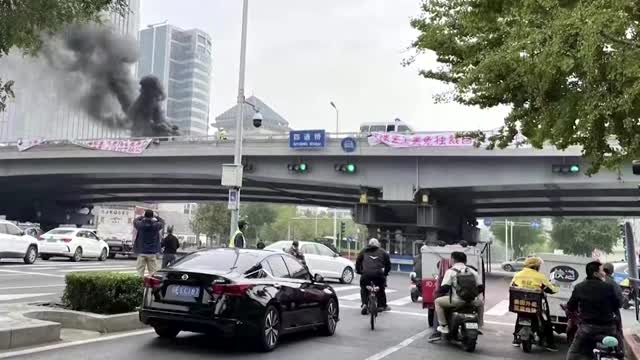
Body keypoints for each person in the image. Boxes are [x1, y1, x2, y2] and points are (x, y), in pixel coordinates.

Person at [566, 261, 622, 360]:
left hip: (587, 329)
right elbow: (617, 305)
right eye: (601, 271)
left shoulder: (579, 287)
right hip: (608, 328)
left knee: (573, 354)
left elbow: (571, 307)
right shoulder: (609, 287)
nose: (604, 273)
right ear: (595, 274)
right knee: (617, 350)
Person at [510, 256, 558, 351]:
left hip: (520, 304)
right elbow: (552, 289)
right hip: (535, 305)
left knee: (520, 314)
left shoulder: (518, 274)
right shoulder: (540, 276)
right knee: (546, 320)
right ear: (536, 267)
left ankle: (516, 339)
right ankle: (550, 343)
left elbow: (512, 286)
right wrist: (554, 288)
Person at [433, 251, 484, 336]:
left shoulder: (451, 271)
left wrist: (437, 293)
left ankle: (444, 326)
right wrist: (472, 296)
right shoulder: (472, 271)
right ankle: (479, 324)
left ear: (452, 260)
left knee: (437, 302)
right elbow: (481, 287)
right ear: (465, 261)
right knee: (481, 304)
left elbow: (445, 288)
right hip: (471, 301)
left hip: (456, 301)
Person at [355, 238, 391, 315]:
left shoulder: (363, 251)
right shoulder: (383, 252)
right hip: (379, 275)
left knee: (363, 287)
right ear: (378, 245)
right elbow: (388, 265)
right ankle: (381, 305)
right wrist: (385, 273)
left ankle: (364, 303)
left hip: (366, 275)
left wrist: (359, 271)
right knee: (381, 287)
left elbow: (358, 262)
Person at [133, 209, 164, 276]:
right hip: (152, 252)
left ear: (145, 215)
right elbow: (163, 222)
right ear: (152, 216)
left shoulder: (140, 225)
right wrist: (156, 217)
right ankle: (151, 286)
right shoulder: (156, 226)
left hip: (142, 251)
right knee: (153, 273)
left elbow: (135, 221)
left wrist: (141, 217)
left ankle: (139, 285)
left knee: (140, 272)